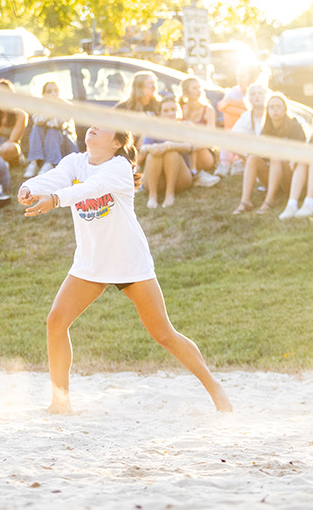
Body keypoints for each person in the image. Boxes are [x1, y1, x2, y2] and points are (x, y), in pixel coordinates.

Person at [18, 124, 232, 415]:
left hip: (128, 261)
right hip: (91, 262)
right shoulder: (75, 162)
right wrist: (30, 188)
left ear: (117, 143)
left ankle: (215, 388)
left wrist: (54, 200)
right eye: (92, 123)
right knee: (56, 322)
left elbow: (90, 190)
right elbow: (55, 178)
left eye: (102, 127)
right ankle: (60, 401)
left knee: (164, 334)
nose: (92, 127)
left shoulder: (118, 168)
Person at [233, 92, 305, 215]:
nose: (275, 110)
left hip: (291, 177)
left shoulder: (295, 126)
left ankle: (269, 201)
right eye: (272, 107)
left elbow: (299, 152)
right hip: (273, 174)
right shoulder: (267, 128)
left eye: (278, 107)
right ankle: (245, 201)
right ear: (268, 110)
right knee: (253, 158)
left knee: (276, 157)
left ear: (285, 109)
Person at [138, 100, 194, 209]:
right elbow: (142, 149)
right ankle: (152, 196)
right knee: (153, 154)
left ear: (178, 111)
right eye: (166, 111)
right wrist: (150, 148)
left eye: (173, 109)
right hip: (157, 179)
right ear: (160, 114)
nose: (170, 113)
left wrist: (170, 145)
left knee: (171, 153)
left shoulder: (184, 127)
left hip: (180, 178)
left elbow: (189, 147)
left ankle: (170, 194)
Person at [24, 81, 78, 178]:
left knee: (53, 130)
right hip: (50, 145)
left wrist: (45, 118)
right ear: (43, 95)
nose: (53, 94)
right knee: (37, 128)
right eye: (49, 92)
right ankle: (33, 163)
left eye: (56, 91)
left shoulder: (66, 106)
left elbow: (59, 124)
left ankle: (50, 163)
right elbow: (37, 121)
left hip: (66, 144)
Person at [215, 63, 261, 176]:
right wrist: (242, 111)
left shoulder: (257, 91)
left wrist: (232, 103)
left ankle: (239, 161)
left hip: (252, 131)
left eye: (243, 76)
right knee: (229, 128)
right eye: (238, 76)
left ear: (251, 77)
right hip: (235, 129)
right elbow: (221, 106)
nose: (239, 79)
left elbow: (253, 111)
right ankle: (225, 163)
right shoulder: (235, 91)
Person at [179, 77, 220, 184]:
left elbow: (211, 140)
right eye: (194, 88)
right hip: (184, 149)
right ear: (186, 92)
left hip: (203, 152)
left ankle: (193, 171)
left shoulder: (208, 110)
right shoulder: (180, 109)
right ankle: (191, 172)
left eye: (199, 87)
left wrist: (192, 147)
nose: (199, 91)